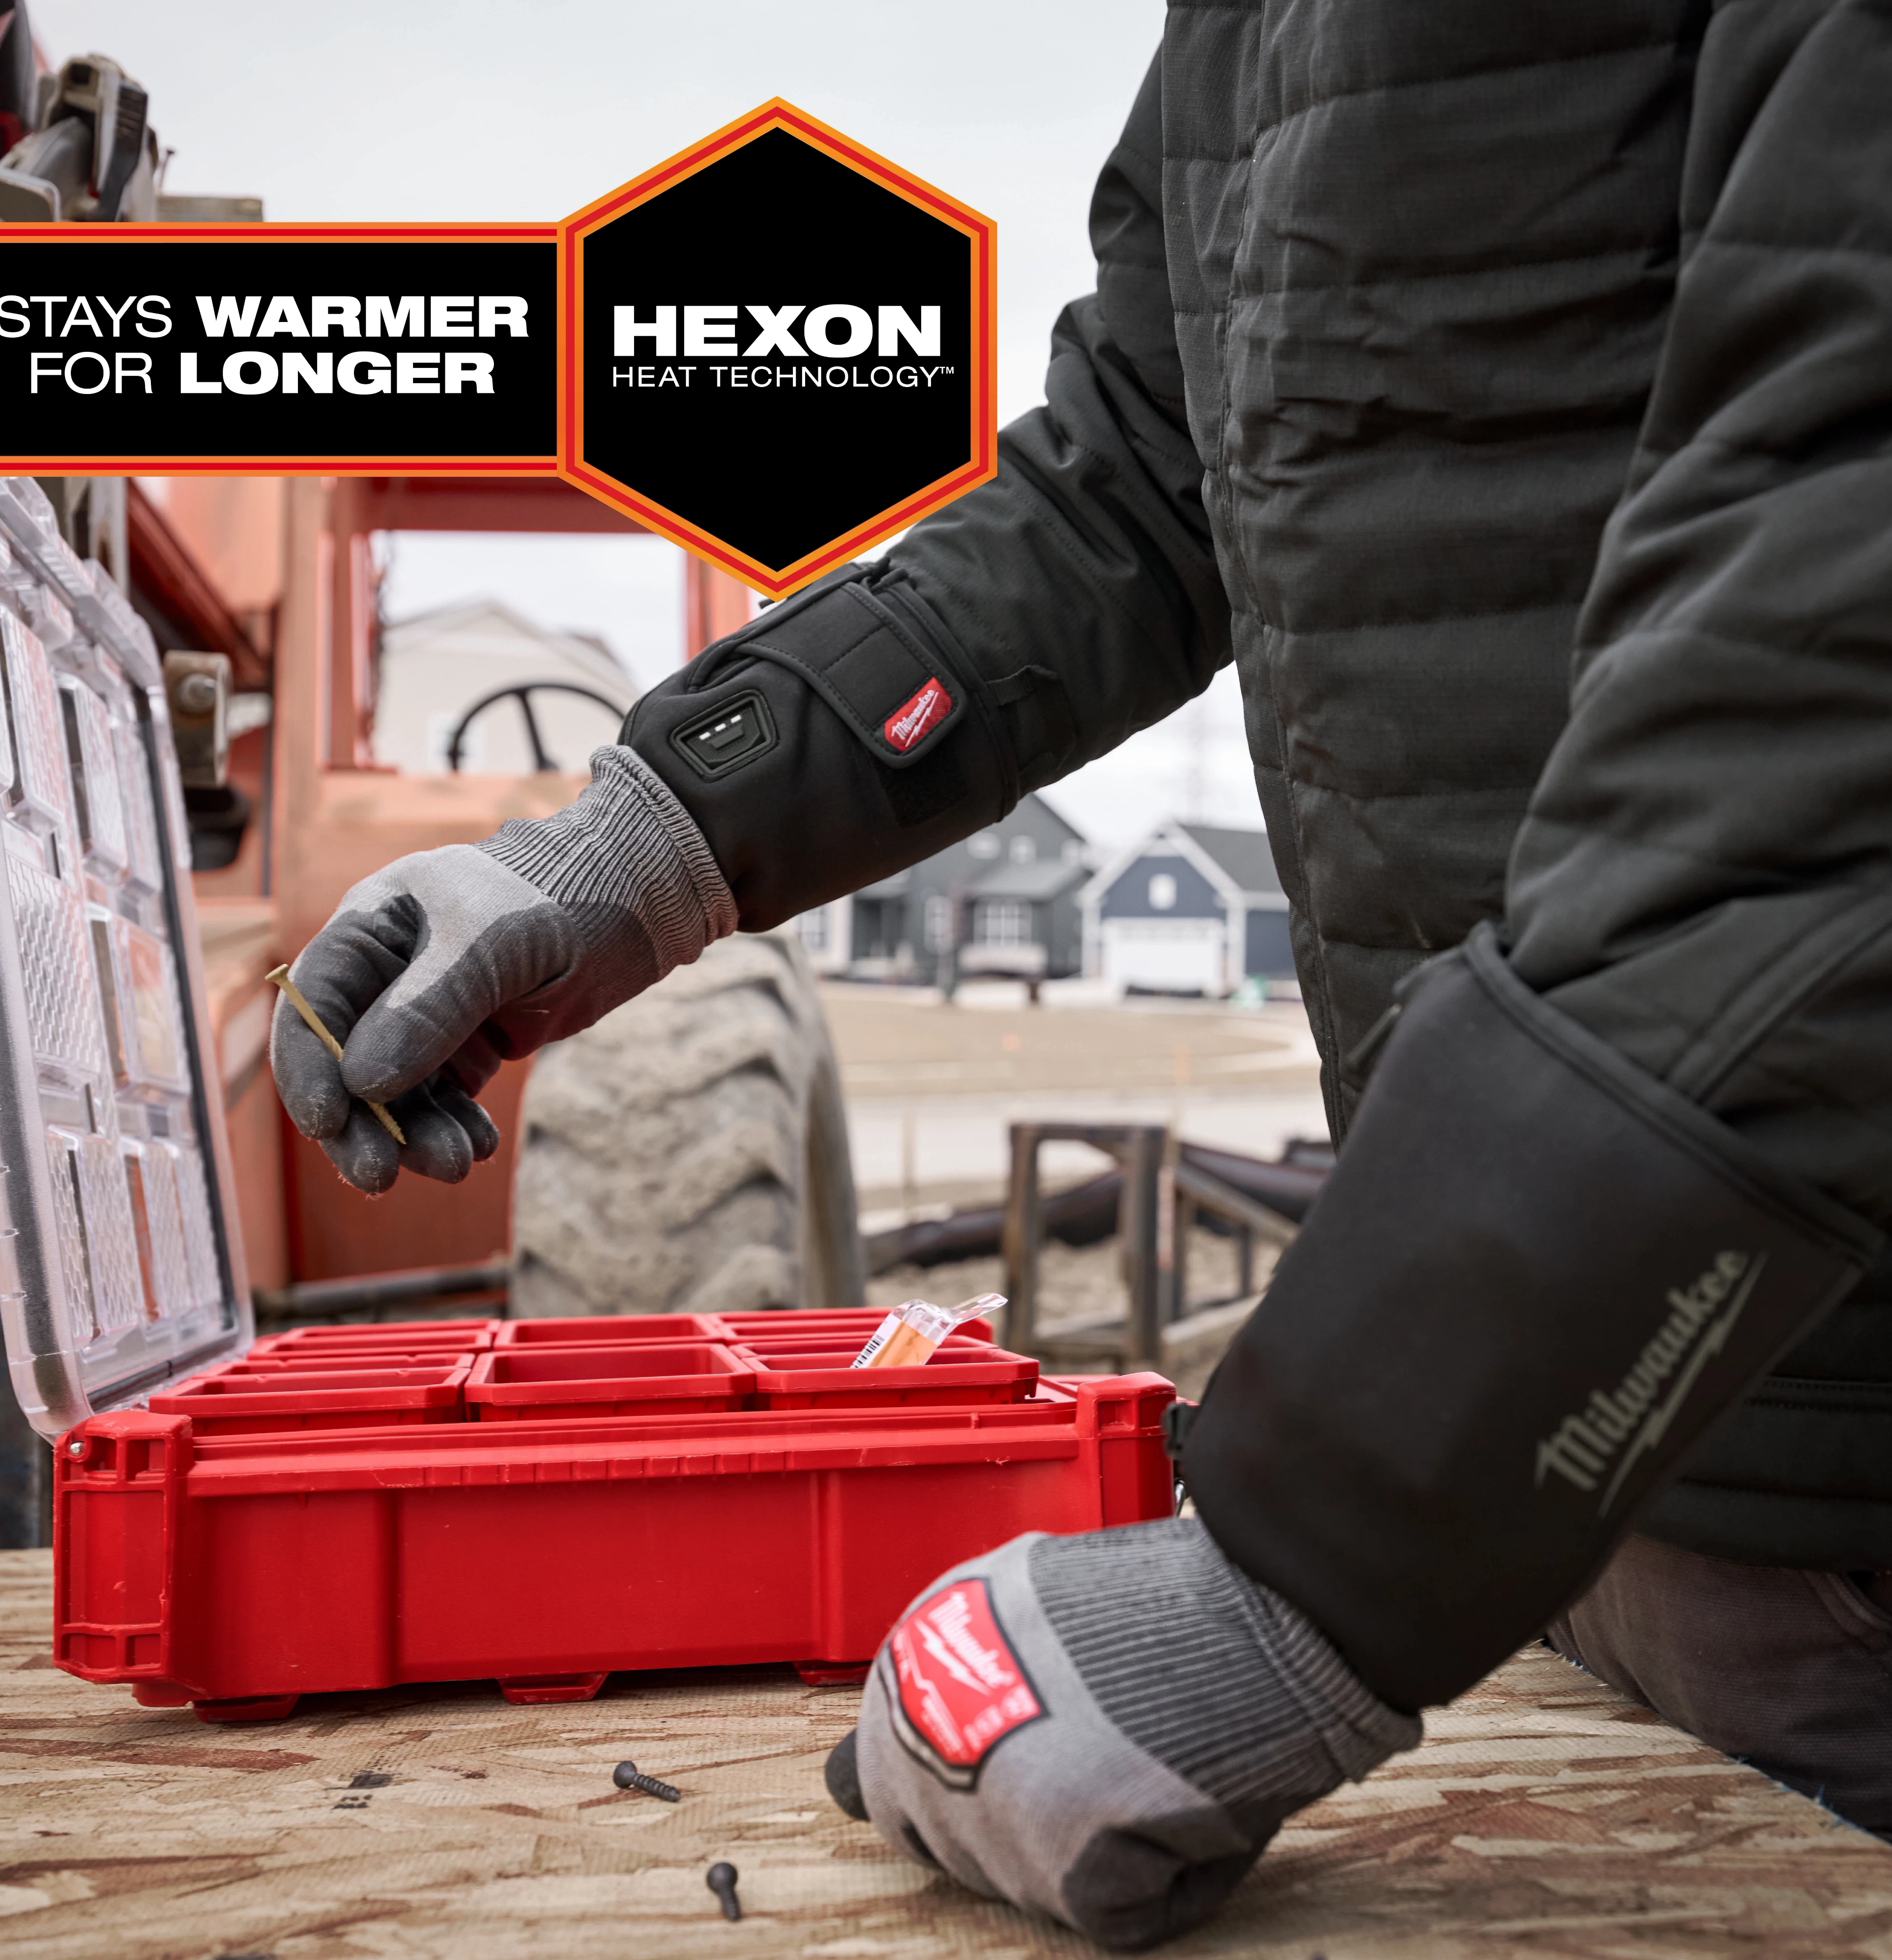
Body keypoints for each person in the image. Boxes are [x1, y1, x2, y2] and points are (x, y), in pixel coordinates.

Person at [273, 4, 1892, 1945]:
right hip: (1546, 1516)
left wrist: (1316, 1572)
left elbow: (1839, 652)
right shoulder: (1247, 34)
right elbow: (1131, 482)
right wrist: (648, 837)